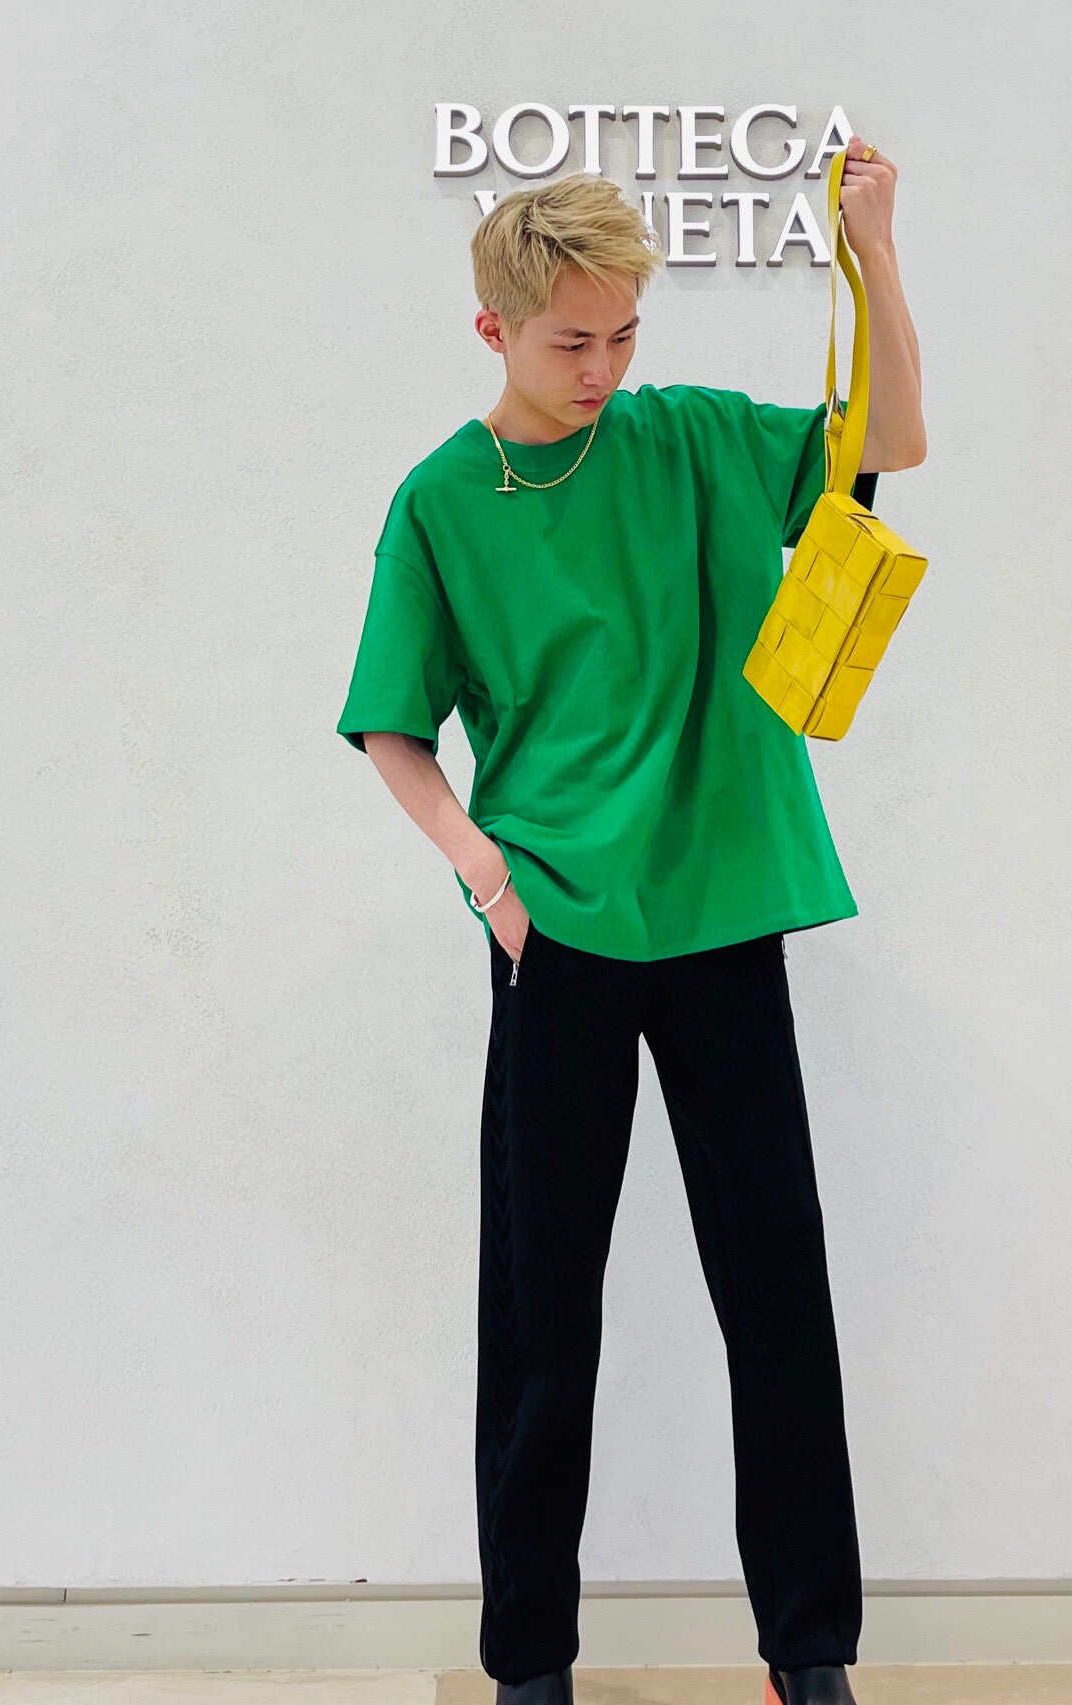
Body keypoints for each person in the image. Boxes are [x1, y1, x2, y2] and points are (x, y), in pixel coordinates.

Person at [335, 136, 926, 1705]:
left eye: (623, 334)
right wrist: (485, 872)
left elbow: (893, 442)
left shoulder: (694, 438)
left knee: (777, 1290)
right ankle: (530, 1664)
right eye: (570, 341)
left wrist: (873, 254)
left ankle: (811, 1650)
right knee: (543, 1318)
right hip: (561, 935)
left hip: (722, 909)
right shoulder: (443, 502)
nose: (602, 368)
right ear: (494, 329)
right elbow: (392, 723)